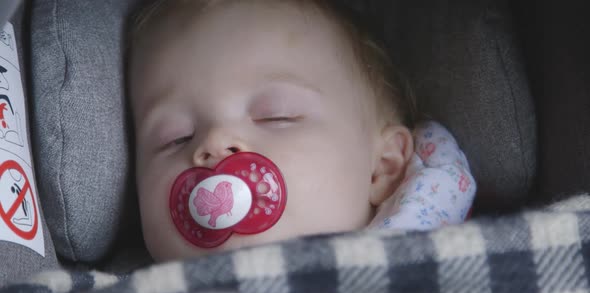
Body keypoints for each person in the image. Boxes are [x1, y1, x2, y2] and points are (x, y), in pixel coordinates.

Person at [128, 0, 475, 262]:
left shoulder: (438, 262)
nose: (215, 141)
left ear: (381, 168)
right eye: (175, 138)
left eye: (276, 117)